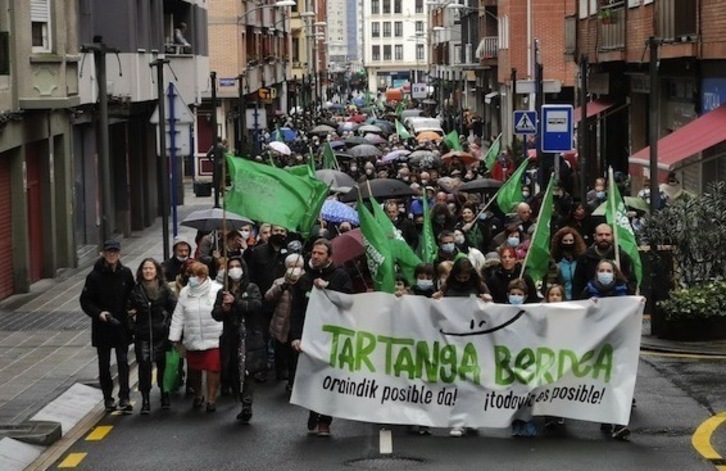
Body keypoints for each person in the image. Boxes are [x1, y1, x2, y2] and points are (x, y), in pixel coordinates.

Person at [290, 239, 352, 437]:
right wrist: (295, 336)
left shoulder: (341, 276)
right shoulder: (304, 279)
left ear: (329, 256)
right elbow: (296, 310)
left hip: (333, 336)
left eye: (320, 253)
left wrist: (329, 288)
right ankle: (313, 410)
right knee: (312, 377)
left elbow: (349, 302)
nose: (315, 256)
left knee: (329, 378)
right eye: (313, 253)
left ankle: (325, 419)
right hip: (311, 336)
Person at [433, 258, 491, 437]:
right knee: (457, 383)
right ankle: (458, 422)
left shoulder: (480, 286)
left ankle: (471, 419)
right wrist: (436, 299)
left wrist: (488, 300)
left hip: (474, 341)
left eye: (467, 277)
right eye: (460, 276)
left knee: (473, 383)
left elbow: (491, 311)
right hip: (453, 341)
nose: (464, 280)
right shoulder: (447, 288)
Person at [577, 259, 632, 440]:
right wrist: (588, 306)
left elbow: (633, 312)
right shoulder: (588, 290)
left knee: (617, 381)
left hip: (618, 342)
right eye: (601, 270)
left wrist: (638, 303)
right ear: (596, 272)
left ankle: (619, 422)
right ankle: (606, 418)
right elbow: (579, 314)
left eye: (608, 270)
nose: (605, 273)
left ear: (615, 273)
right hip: (598, 344)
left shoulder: (624, 290)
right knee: (602, 380)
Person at [80, 240, 135, 413]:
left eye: (115, 252)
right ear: (103, 253)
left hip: (121, 325)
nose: (112, 255)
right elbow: (85, 301)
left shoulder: (126, 273)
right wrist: (99, 313)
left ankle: (124, 397)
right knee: (104, 365)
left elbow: (132, 295)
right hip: (102, 326)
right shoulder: (94, 276)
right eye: (109, 252)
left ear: (119, 254)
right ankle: (108, 398)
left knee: (123, 361)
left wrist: (132, 309)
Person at [212, 257, 263, 423]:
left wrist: (236, 302)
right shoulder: (223, 291)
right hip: (230, 336)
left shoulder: (251, 287)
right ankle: (238, 397)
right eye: (231, 266)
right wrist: (224, 309)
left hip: (247, 335)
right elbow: (216, 314)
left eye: (237, 266)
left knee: (247, 370)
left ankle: (247, 403)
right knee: (233, 368)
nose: (234, 269)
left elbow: (255, 306)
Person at [169, 261, 224, 412]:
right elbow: (178, 316)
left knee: (213, 368)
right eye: (190, 275)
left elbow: (223, 312)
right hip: (192, 336)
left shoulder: (217, 290)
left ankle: (211, 399)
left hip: (213, 336)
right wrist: (174, 337)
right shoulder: (185, 292)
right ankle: (198, 395)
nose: (193, 278)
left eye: (196, 275)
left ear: (204, 276)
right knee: (194, 369)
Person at [126, 258, 177, 414]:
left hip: (162, 334)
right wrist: (133, 328)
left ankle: (165, 395)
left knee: (163, 366)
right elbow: (127, 311)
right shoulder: (135, 291)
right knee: (144, 366)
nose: (148, 271)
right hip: (143, 336)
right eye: (145, 269)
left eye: (151, 268)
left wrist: (168, 325)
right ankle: (146, 400)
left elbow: (174, 308)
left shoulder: (165, 289)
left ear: (157, 271)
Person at [245, 225, 289, 380]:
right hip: (263, 301)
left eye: (282, 231)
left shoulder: (290, 252)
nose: (279, 233)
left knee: (281, 337)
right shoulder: (258, 252)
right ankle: (261, 369)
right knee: (262, 337)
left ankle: (281, 368)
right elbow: (251, 275)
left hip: (283, 302)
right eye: (276, 231)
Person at [265, 253, 305, 391]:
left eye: (297, 266)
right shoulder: (280, 281)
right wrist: (282, 287)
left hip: (297, 324)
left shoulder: (306, 281)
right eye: (292, 266)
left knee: (296, 356)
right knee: (283, 351)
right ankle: (283, 373)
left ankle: (294, 381)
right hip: (282, 324)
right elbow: (268, 297)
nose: (294, 269)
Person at [506, 279, 537, 438]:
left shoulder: (532, 312)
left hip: (527, 357)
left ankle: (526, 420)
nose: (516, 297)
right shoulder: (500, 312)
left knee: (527, 389)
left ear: (525, 297)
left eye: (519, 294)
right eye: (513, 294)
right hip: (509, 357)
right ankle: (515, 422)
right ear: (508, 295)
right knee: (513, 390)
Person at [571, 223, 637, 297]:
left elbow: (631, 282)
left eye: (607, 234)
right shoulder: (585, 258)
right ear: (594, 237)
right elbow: (578, 285)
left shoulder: (622, 257)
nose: (604, 238)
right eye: (600, 235)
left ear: (612, 236)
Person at [550, 227, 587, 300]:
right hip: (562, 301)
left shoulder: (582, 261)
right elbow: (551, 284)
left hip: (580, 300)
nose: (568, 243)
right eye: (565, 241)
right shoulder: (554, 263)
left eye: (571, 240)